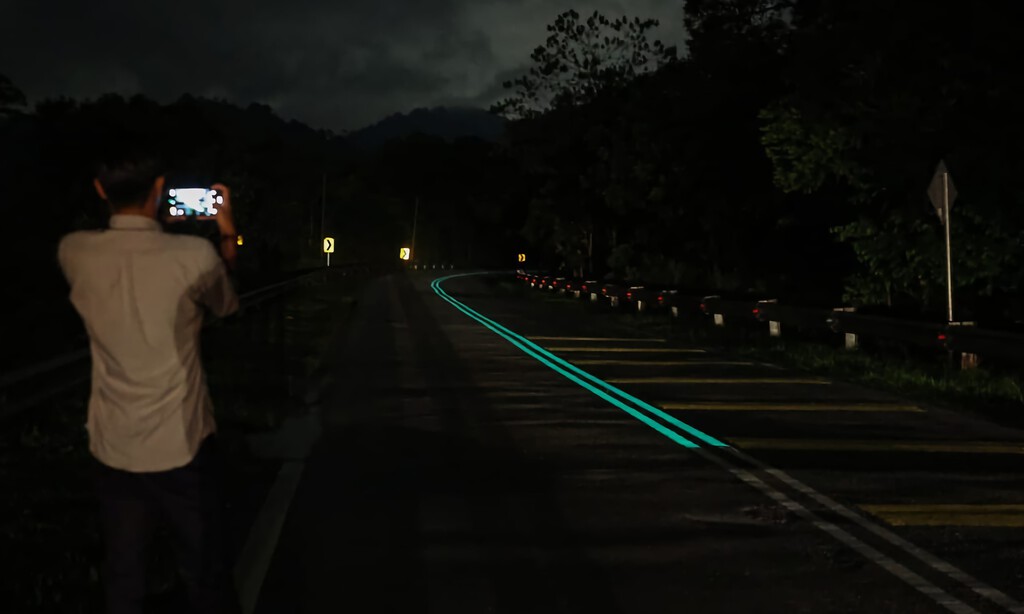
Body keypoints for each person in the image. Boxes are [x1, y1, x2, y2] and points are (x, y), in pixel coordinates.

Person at [57, 138, 242, 614]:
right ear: (160, 188)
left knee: (124, 575)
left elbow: (126, 254)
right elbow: (226, 304)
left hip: (114, 443)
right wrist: (226, 235)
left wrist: (155, 225)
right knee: (205, 573)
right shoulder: (193, 258)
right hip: (183, 442)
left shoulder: (74, 252)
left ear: (100, 190)